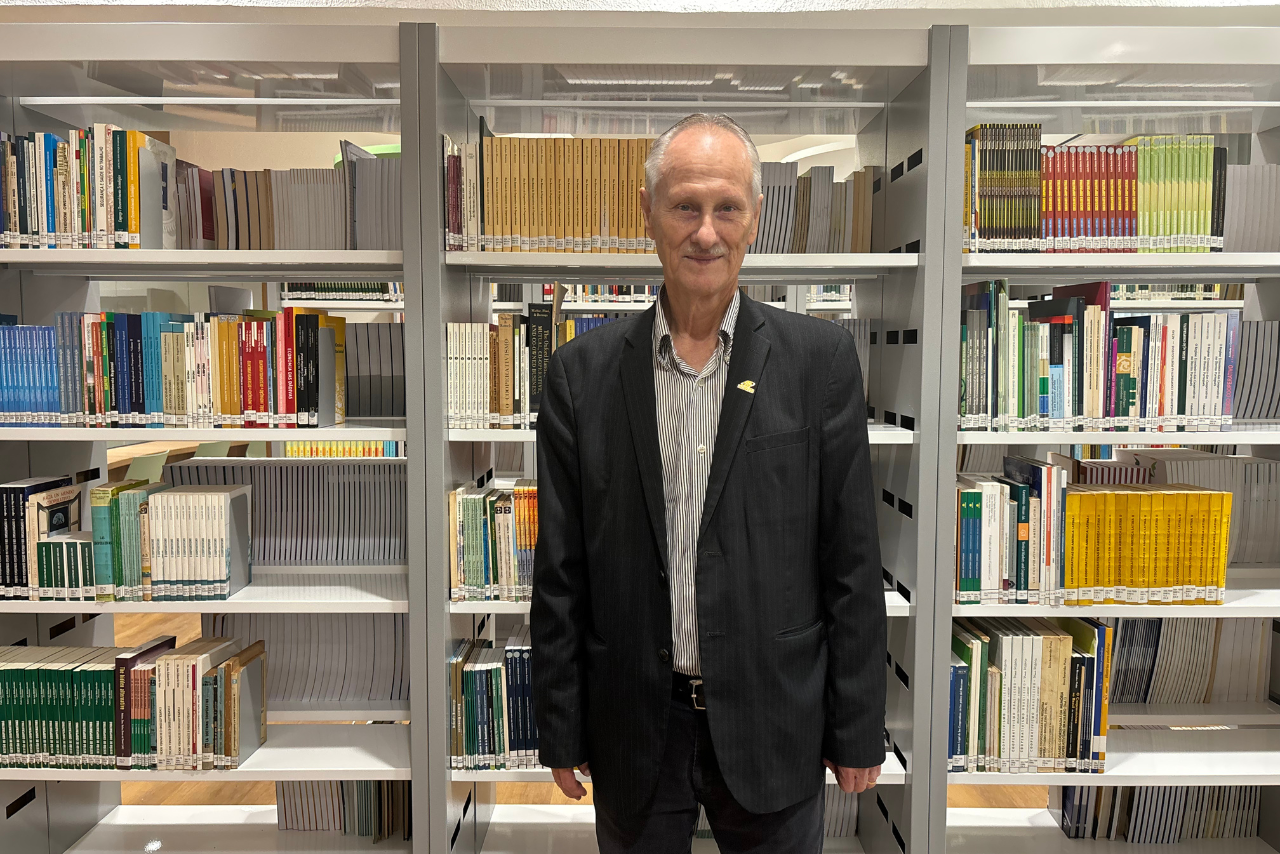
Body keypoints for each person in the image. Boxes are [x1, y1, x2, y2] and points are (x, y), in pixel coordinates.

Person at [531, 113, 886, 853]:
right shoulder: (579, 377)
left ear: (754, 217)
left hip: (774, 721)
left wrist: (856, 727)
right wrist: (560, 727)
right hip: (635, 726)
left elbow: (850, 560)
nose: (706, 232)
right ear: (648, 212)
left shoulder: (820, 363)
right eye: (685, 206)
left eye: (726, 208)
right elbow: (561, 575)